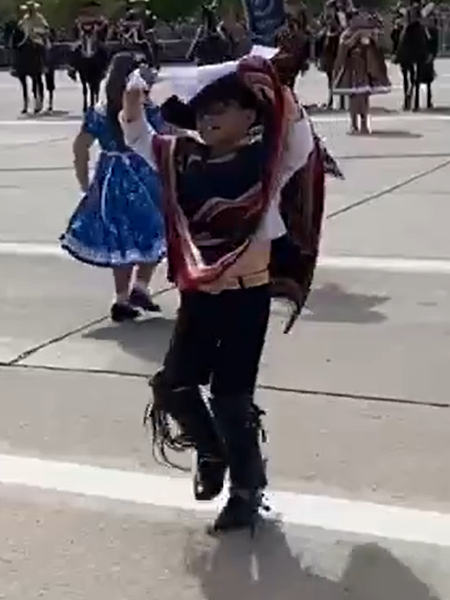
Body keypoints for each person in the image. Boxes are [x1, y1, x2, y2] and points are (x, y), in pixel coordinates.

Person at [121, 52, 326, 533]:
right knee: (173, 385)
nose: (210, 118)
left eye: (223, 109)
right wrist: (133, 98)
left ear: (251, 115)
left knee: (232, 399)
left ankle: (246, 490)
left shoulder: (266, 164)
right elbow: (136, 136)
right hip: (198, 294)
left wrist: (281, 91)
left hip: (246, 297)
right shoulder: (181, 158)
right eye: (204, 111)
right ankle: (211, 451)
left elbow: (299, 140)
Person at [60, 53, 166, 322]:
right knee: (155, 230)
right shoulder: (149, 110)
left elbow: (80, 146)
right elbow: (168, 136)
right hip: (144, 173)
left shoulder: (99, 112)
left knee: (122, 238)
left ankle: (122, 297)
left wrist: (84, 179)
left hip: (112, 176)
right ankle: (141, 285)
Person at [330, 8, 390, 134]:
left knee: (364, 98)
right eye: (356, 18)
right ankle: (353, 124)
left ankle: (364, 124)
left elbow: (374, 48)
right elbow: (344, 47)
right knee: (353, 99)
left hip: (364, 70)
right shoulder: (346, 34)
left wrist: (372, 39)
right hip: (351, 71)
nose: (359, 21)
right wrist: (356, 36)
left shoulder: (366, 33)